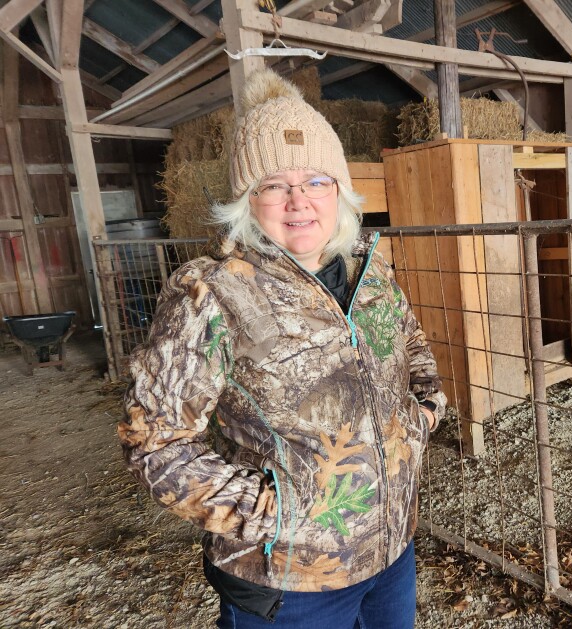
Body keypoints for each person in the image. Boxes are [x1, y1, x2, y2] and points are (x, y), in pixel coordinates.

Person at [118, 68, 446, 629]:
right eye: (273, 184)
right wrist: (270, 510)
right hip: (289, 577)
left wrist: (424, 411)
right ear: (247, 201)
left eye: (316, 180)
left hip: (391, 549)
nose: (299, 201)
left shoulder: (368, 268)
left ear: (339, 190)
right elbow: (154, 440)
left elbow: (410, 344)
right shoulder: (213, 292)